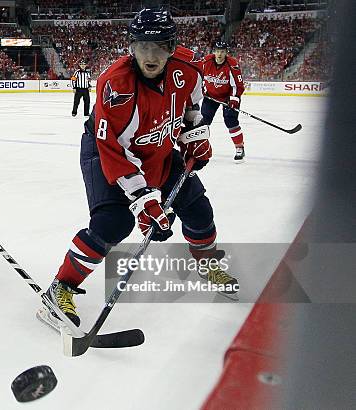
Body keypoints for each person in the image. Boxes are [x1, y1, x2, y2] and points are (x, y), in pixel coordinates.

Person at [37, 9, 239, 329]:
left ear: (172, 47)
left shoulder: (187, 70)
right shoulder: (116, 85)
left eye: (159, 46)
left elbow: (191, 109)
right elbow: (114, 149)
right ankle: (59, 288)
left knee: (199, 209)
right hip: (109, 151)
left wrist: (194, 138)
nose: (150, 55)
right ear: (131, 47)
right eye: (143, 46)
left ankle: (206, 263)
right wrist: (145, 200)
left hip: (157, 149)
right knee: (113, 222)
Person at [201, 41, 246, 163]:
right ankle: (200, 148)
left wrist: (233, 99)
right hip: (211, 96)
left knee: (230, 121)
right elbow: (198, 76)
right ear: (213, 52)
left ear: (226, 53)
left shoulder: (232, 64)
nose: (219, 54)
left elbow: (238, 85)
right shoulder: (206, 61)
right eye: (217, 51)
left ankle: (239, 148)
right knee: (203, 122)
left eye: (222, 51)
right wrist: (202, 88)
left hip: (228, 97)